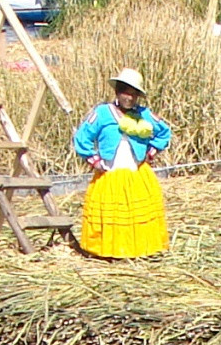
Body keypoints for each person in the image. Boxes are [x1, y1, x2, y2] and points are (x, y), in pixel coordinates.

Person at [72, 67, 172, 260]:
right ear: (117, 91)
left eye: (135, 95)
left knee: (136, 212)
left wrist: (150, 152)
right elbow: (82, 137)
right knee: (113, 212)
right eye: (126, 92)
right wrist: (94, 160)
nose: (130, 98)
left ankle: (139, 250)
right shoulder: (102, 113)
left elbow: (164, 132)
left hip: (136, 172)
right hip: (111, 171)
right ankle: (109, 251)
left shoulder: (144, 114)